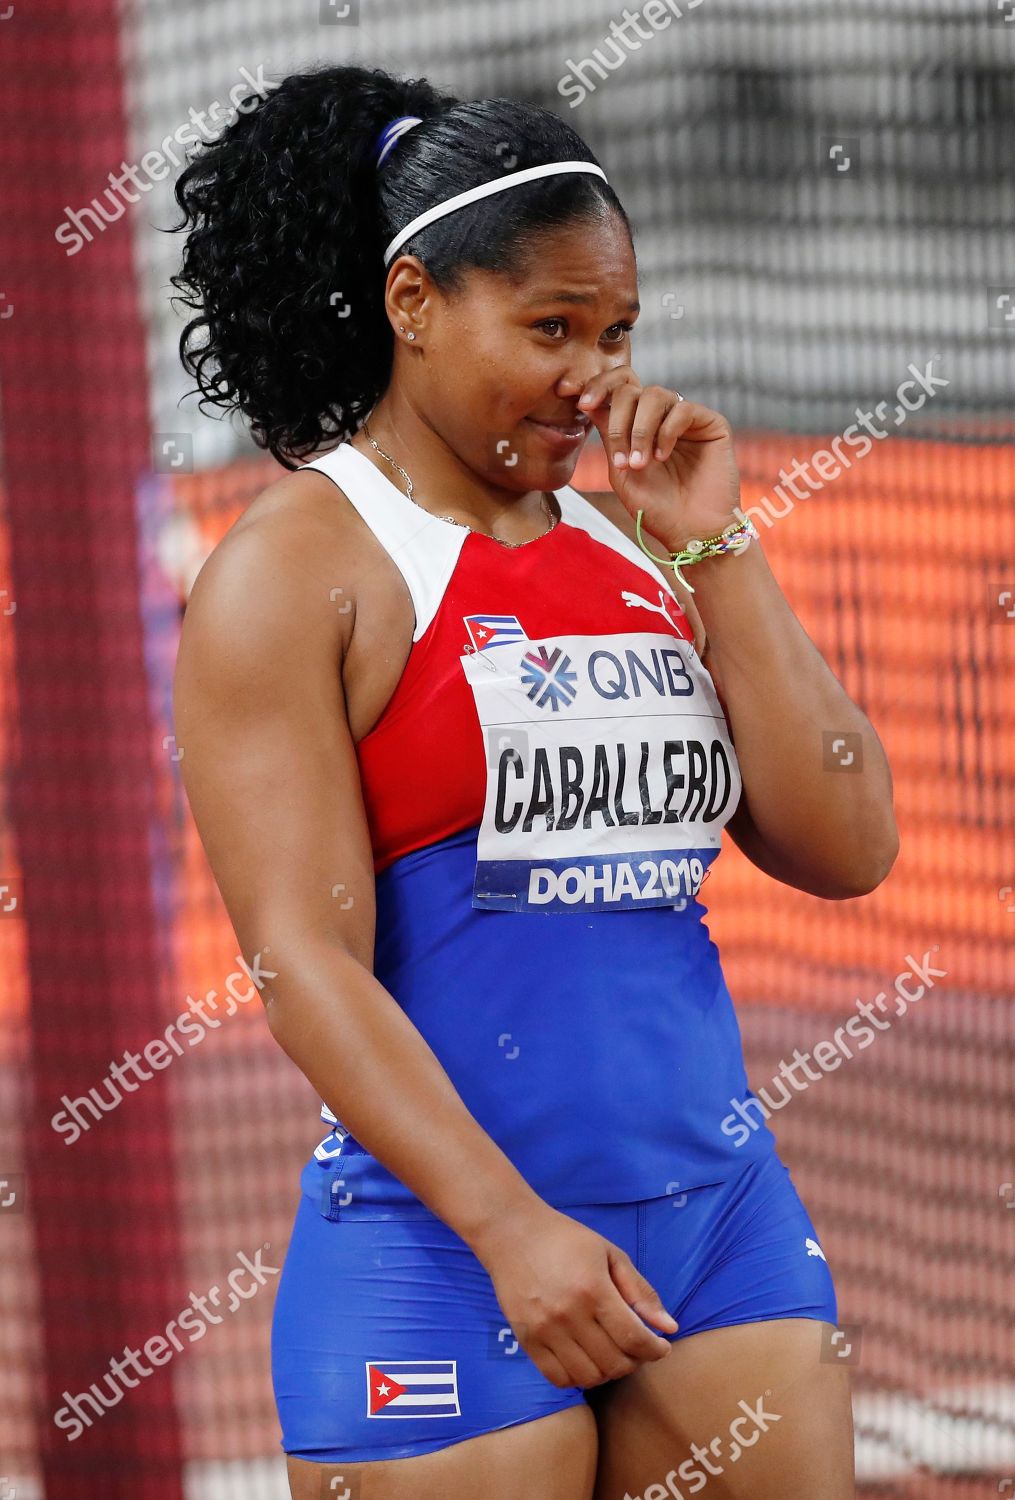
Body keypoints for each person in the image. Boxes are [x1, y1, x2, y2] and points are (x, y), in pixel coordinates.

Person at [169, 61, 898, 1500]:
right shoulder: (297, 568)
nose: (594, 375)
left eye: (616, 331)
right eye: (550, 326)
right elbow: (305, 963)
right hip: (443, 1249)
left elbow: (849, 844)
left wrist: (716, 549)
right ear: (414, 303)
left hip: (719, 1230)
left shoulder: (636, 545)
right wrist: (509, 1230)